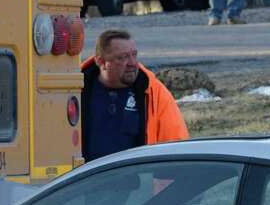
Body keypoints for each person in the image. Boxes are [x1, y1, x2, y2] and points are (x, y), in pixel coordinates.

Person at [81, 29, 189, 161]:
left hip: (137, 173)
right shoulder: (76, 92)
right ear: (101, 62)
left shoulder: (154, 92)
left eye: (134, 55)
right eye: (122, 57)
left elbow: (175, 144)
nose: (132, 63)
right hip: (87, 173)